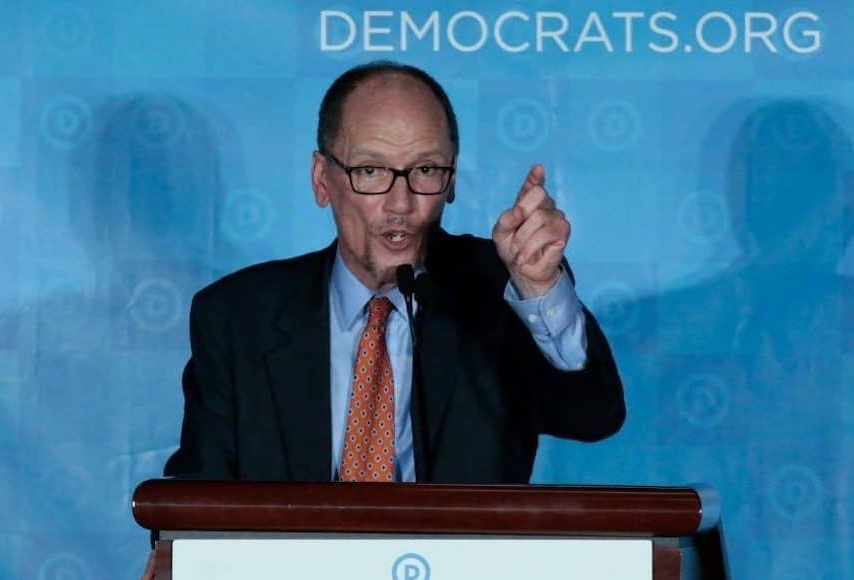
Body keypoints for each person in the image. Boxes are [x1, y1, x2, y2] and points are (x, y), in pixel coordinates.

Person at [142, 57, 626, 578]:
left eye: (424, 171)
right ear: (322, 179)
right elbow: (199, 495)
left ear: (451, 182)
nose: (399, 203)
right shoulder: (238, 316)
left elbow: (593, 415)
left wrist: (539, 288)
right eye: (370, 171)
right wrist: (177, 550)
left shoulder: (503, 288)